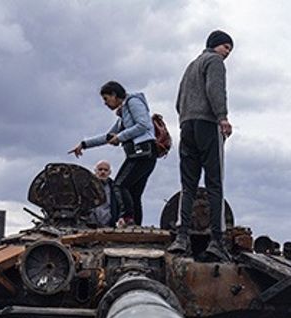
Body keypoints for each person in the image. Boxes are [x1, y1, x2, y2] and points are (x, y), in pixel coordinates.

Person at [167, 30, 234, 261]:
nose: (228, 53)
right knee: (215, 183)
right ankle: (217, 240)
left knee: (188, 185)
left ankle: (181, 236)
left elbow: (178, 101)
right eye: (227, 47)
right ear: (216, 45)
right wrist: (222, 117)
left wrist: (186, 118)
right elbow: (215, 89)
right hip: (207, 124)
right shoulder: (214, 61)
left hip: (186, 126)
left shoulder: (190, 66)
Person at [69, 81, 158, 226]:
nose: (105, 103)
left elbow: (144, 124)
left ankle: (127, 218)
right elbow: (108, 136)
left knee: (119, 185)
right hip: (141, 154)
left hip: (143, 152)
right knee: (134, 193)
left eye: (106, 99)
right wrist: (84, 144)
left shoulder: (133, 102)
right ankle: (135, 225)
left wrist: (121, 137)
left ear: (114, 95)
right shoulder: (123, 116)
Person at [89, 160, 125, 226]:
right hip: (89, 224)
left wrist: (120, 217)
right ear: (95, 171)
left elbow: (120, 204)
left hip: (108, 225)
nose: (103, 172)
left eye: (106, 170)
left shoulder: (114, 188)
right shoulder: (87, 186)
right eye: (100, 169)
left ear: (109, 172)